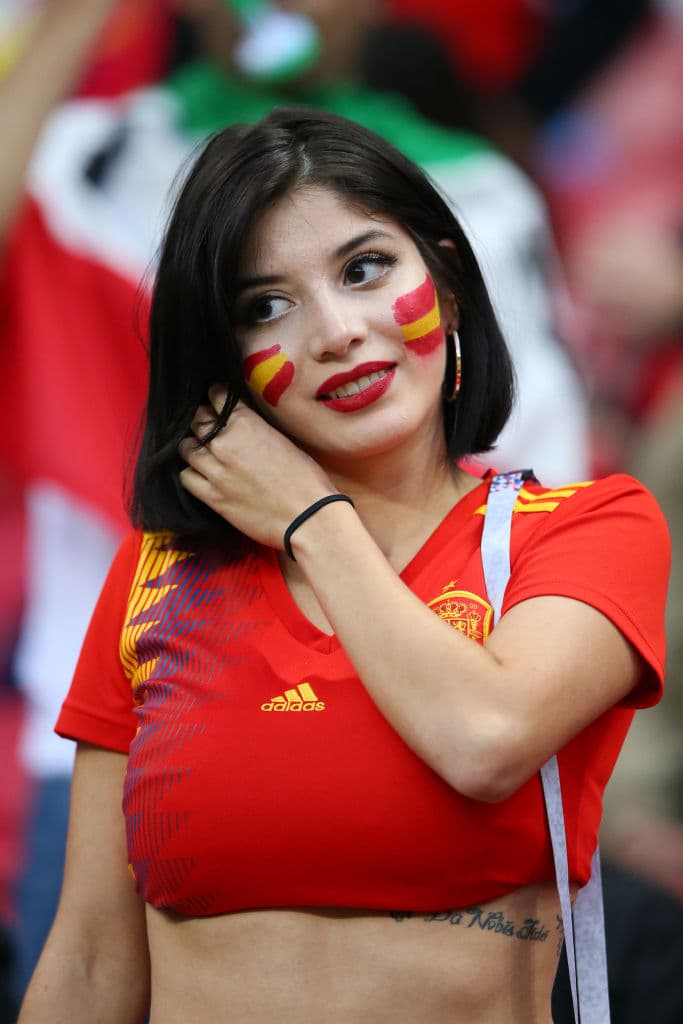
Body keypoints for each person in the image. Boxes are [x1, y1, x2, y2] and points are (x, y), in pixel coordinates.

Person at [17, 107, 669, 1024]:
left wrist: (311, 519)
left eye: (365, 269)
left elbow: (485, 739)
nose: (336, 331)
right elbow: (86, 962)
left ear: (444, 278)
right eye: (265, 306)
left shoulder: (579, 526)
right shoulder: (158, 576)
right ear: (224, 363)